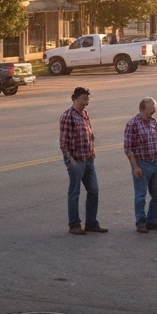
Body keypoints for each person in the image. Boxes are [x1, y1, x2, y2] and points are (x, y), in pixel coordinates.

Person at [60, 87, 106, 235]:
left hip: (88, 159)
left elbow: (90, 134)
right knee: (74, 192)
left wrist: (92, 150)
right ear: (75, 98)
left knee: (94, 190)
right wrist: (70, 159)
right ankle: (74, 225)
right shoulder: (68, 116)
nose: (87, 102)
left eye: (88, 98)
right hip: (76, 161)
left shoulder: (85, 114)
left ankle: (91, 223)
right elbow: (63, 141)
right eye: (84, 98)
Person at [124, 97, 157, 232]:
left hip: (153, 162)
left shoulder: (153, 122)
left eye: (154, 111)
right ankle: (141, 222)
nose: (152, 114)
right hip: (141, 163)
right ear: (141, 109)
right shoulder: (132, 124)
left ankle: (152, 221)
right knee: (140, 195)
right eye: (150, 111)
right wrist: (135, 167)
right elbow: (128, 148)